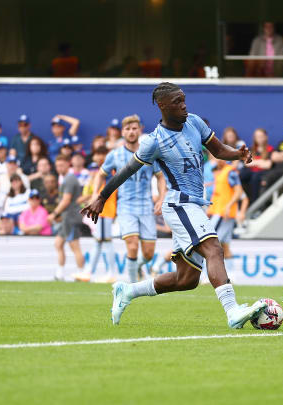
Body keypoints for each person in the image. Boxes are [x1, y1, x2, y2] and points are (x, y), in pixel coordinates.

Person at [82, 82, 266, 329]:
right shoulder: (154, 141)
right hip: (179, 204)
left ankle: (128, 291)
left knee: (186, 279)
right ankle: (233, 311)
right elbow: (126, 171)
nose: (184, 105)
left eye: (184, 99)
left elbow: (219, 150)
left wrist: (238, 154)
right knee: (214, 248)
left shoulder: (195, 122)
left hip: (193, 205)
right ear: (162, 105)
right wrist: (102, 197)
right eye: (177, 102)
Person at [90, 114, 166, 283]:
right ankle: (131, 286)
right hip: (125, 207)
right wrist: (96, 194)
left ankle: (139, 267)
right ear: (122, 132)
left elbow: (160, 177)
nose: (131, 132)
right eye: (127, 129)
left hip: (146, 207)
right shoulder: (115, 155)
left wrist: (161, 198)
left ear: (140, 130)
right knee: (132, 245)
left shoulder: (150, 153)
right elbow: (100, 175)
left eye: (134, 128)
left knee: (148, 254)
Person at [79, 146, 118, 282]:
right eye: (97, 154)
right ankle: (89, 272)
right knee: (99, 242)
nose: (98, 157)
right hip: (103, 211)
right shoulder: (106, 171)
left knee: (106, 242)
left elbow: (105, 191)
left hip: (105, 210)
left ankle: (110, 273)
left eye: (101, 154)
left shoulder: (107, 172)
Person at [48, 154, 85, 281]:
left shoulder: (69, 179)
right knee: (58, 244)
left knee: (75, 246)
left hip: (71, 217)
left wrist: (54, 214)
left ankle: (81, 273)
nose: (59, 168)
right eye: (57, 166)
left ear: (68, 165)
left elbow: (66, 200)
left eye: (61, 165)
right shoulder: (66, 179)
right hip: (66, 218)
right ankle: (60, 274)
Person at [207, 158, 243, 268]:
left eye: (219, 158)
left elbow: (239, 191)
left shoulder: (230, 172)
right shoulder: (222, 173)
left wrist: (228, 206)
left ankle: (206, 275)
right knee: (225, 246)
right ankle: (231, 275)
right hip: (221, 212)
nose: (217, 160)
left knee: (209, 243)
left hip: (222, 214)